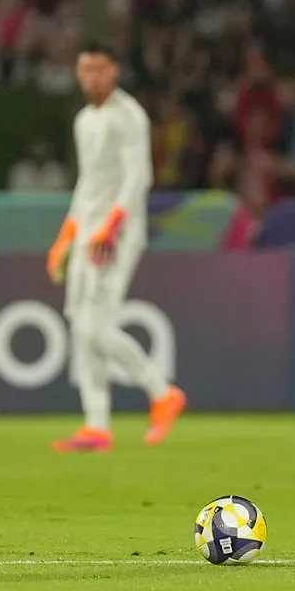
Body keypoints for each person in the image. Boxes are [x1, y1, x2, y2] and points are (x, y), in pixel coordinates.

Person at [47, 41, 186, 453]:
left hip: (116, 233)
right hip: (88, 229)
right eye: (85, 69)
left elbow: (138, 176)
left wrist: (112, 224)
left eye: (100, 69)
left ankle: (161, 392)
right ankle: (96, 426)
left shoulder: (128, 116)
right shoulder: (84, 119)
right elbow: (87, 184)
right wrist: (67, 234)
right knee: (80, 325)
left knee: (95, 326)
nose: (92, 77)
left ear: (115, 71)